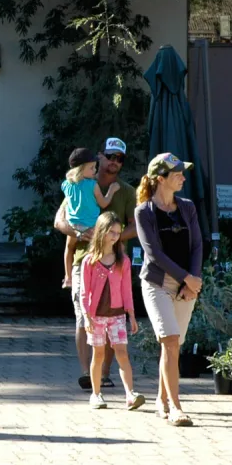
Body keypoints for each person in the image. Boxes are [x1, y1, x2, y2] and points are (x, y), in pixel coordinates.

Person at [54, 137, 136, 390]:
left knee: (112, 315)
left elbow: (135, 226)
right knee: (83, 315)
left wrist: (110, 237)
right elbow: (59, 221)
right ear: (99, 156)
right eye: (110, 156)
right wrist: (79, 234)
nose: (114, 162)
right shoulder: (79, 184)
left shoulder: (127, 192)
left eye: (119, 159)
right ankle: (85, 373)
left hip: (114, 262)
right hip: (82, 259)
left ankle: (104, 373)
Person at [134, 152, 204, 427]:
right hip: (157, 283)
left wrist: (193, 280)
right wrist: (187, 277)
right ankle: (176, 407)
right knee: (171, 340)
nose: (183, 178)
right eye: (178, 174)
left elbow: (198, 245)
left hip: (188, 283)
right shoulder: (144, 212)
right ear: (160, 179)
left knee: (173, 345)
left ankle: (161, 399)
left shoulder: (187, 207)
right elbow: (154, 254)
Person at [79, 211, 143, 410]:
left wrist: (131, 314)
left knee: (122, 352)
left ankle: (130, 394)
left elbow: (127, 290)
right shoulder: (89, 261)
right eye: (112, 232)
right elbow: (84, 292)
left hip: (117, 315)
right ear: (102, 232)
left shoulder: (122, 261)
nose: (115, 236)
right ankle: (96, 394)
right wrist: (87, 317)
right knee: (98, 354)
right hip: (96, 315)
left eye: (118, 232)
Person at [60, 147, 122, 289]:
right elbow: (104, 203)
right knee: (97, 250)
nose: (95, 170)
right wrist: (112, 190)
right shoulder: (92, 185)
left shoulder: (66, 185)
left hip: (74, 226)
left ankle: (68, 278)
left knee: (69, 248)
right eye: (92, 168)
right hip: (92, 225)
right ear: (81, 169)